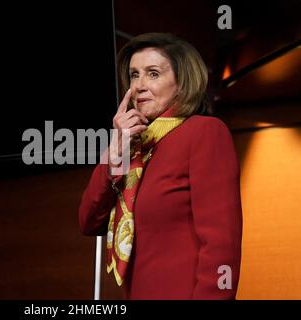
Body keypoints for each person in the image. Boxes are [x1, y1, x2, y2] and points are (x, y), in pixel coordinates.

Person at [78, 33, 242, 299]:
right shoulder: (135, 146)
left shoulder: (204, 132)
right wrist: (115, 152)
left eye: (153, 74)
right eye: (134, 75)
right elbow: (88, 221)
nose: (139, 86)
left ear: (183, 81)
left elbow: (222, 244)